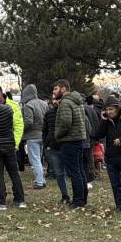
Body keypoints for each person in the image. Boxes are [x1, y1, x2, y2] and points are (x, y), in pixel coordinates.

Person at [53, 79, 88, 208]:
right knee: (79, 170)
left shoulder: (66, 102)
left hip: (70, 141)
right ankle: (83, 198)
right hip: (79, 139)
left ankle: (78, 201)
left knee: (74, 172)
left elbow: (66, 123)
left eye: (56, 89)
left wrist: (57, 135)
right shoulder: (77, 101)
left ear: (63, 89)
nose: (54, 92)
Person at [21, 84, 48, 189]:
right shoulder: (43, 104)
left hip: (32, 136)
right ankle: (42, 180)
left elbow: (28, 122)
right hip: (43, 135)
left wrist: (20, 129)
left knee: (34, 160)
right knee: (39, 159)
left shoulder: (28, 105)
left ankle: (39, 182)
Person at [43, 98, 70, 204]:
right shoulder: (49, 113)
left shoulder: (68, 111)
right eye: (54, 99)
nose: (55, 102)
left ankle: (76, 196)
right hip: (53, 146)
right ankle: (65, 195)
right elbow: (45, 129)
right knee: (59, 173)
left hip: (66, 145)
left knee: (71, 172)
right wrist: (46, 143)